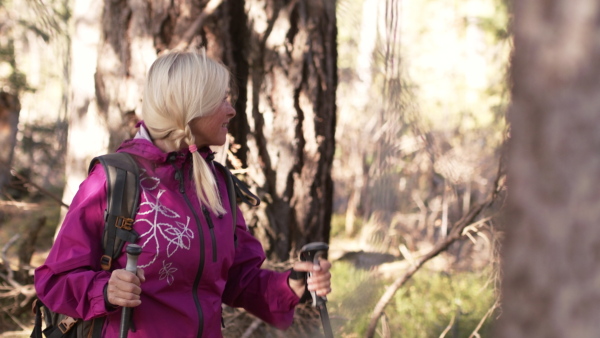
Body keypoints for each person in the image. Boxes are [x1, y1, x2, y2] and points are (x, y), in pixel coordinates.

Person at [34, 50, 332, 337]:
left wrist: (290, 286)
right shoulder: (114, 180)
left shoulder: (215, 184)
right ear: (190, 105)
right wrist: (104, 290)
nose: (231, 110)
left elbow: (239, 279)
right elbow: (54, 281)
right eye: (222, 100)